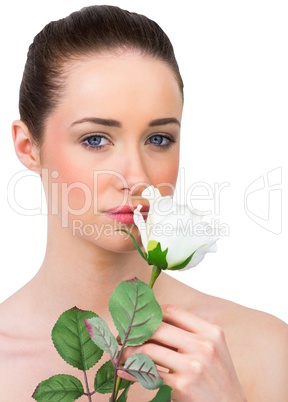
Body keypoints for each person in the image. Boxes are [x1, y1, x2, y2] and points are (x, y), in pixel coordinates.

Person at [0, 5, 287, 401]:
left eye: (158, 139)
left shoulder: (264, 350)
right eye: (96, 139)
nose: (137, 177)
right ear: (28, 146)